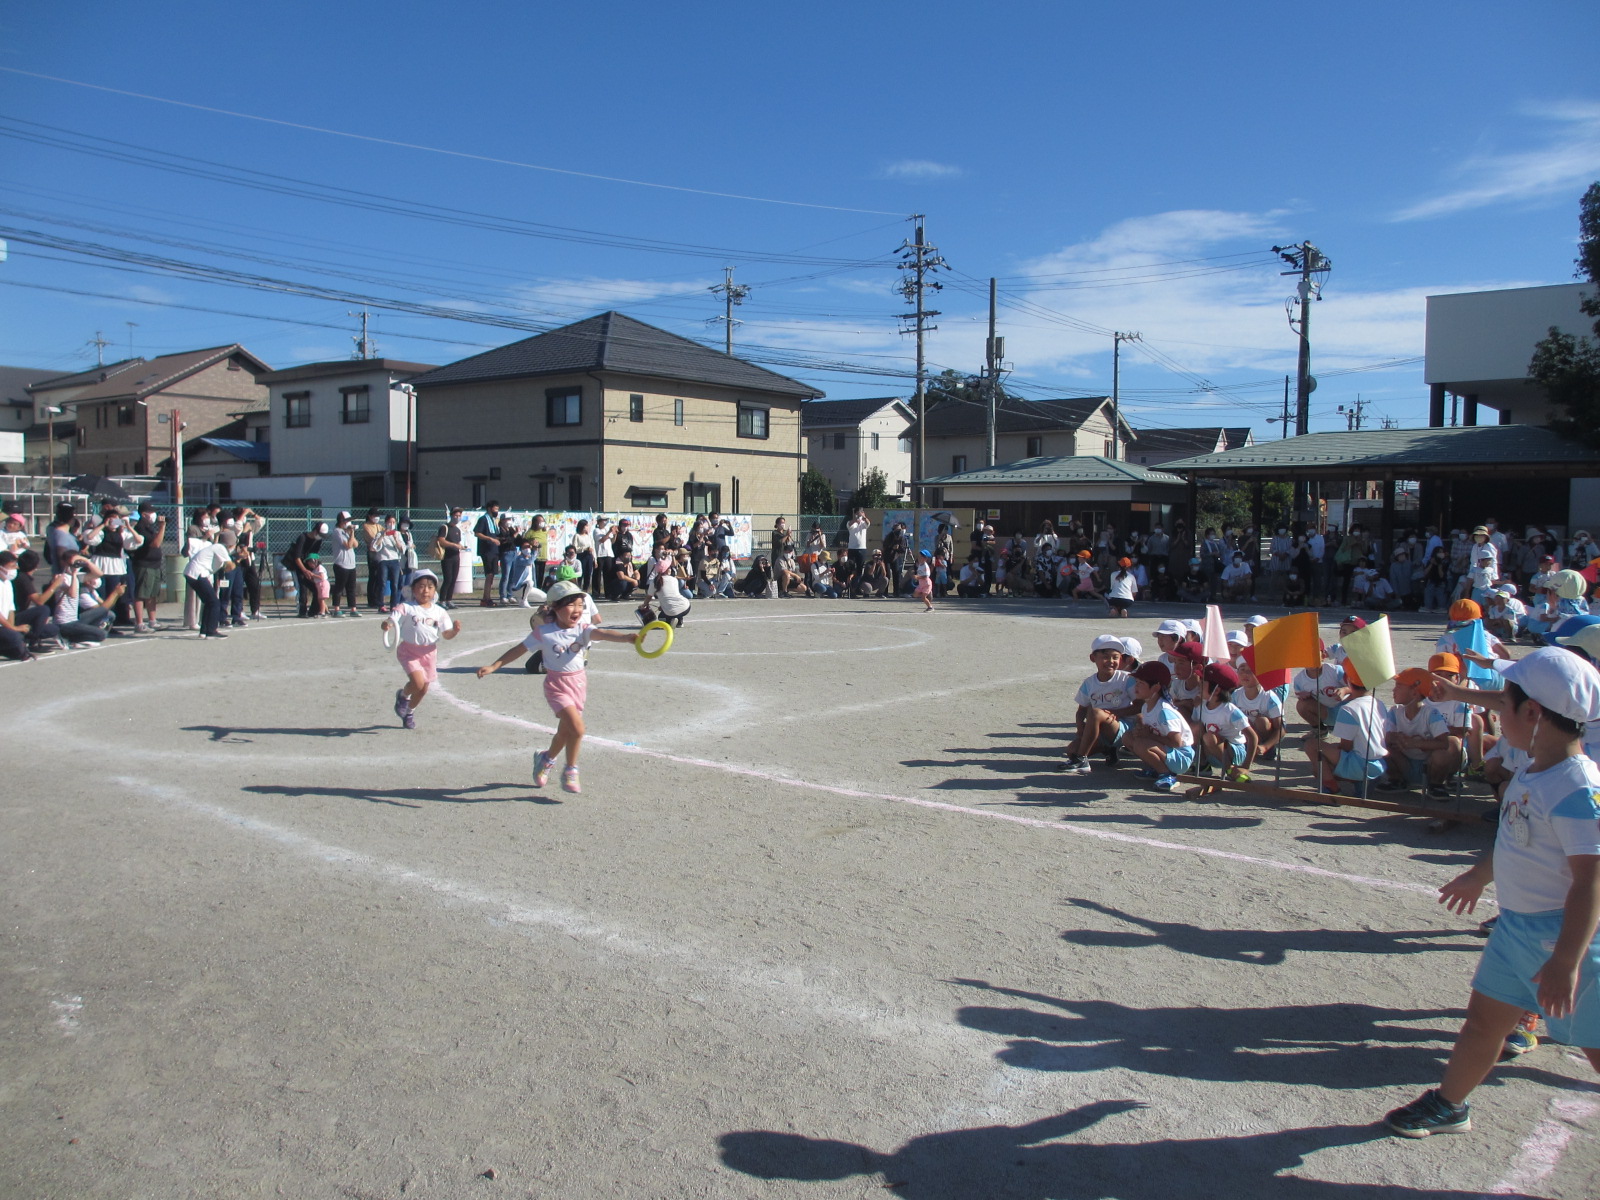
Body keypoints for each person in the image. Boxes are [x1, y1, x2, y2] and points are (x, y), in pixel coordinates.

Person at [1384, 649, 1600, 1137]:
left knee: (1595, 1042)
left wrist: (1566, 961)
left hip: (1564, 938)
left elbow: (1591, 880)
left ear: (1533, 715)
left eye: (1504, 705)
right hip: (1517, 928)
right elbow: (1516, 840)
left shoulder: (1577, 787)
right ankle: (1449, 1104)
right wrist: (1480, 876)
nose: (1496, 713)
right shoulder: (1534, 768)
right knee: (1483, 1022)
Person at [475, 580, 645, 795]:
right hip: (556, 685)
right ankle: (571, 770)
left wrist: (627, 638)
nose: (578, 610)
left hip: (579, 683)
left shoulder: (583, 629)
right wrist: (494, 665)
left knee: (565, 733)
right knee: (578, 728)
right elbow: (519, 650)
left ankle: (546, 759)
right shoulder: (544, 632)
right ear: (555, 607)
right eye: (571, 605)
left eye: (580, 605)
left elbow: (603, 633)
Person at [381, 569, 459, 730]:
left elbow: (446, 634)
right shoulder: (407, 607)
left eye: (430, 587)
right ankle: (403, 696)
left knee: (423, 689)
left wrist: (455, 631)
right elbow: (393, 619)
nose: (426, 590)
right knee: (417, 682)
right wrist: (387, 624)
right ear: (413, 589)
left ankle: (409, 712)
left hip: (429, 653)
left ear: (434, 590)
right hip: (409, 651)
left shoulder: (440, 611)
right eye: (421, 586)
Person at [1303, 661, 1385, 794]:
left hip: (1361, 764)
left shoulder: (1349, 709)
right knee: (1328, 757)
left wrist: (1332, 752)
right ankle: (1361, 782)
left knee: (1312, 746)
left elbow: (1346, 746)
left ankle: (1332, 788)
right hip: (1380, 763)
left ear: (1348, 682)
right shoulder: (1378, 703)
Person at [1378, 667, 1460, 799]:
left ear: (1415, 693)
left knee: (1443, 753)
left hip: (1428, 766)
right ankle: (1397, 779)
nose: (1393, 690)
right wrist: (1395, 738)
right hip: (1403, 762)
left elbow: (1444, 743)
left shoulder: (1430, 713)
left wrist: (1415, 743)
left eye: (1399, 686)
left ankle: (1436, 784)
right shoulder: (1395, 711)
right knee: (1381, 746)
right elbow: (1387, 735)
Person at [1064, 634, 1135, 774]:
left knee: (1096, 712)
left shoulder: (1126, 679)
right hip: (1101, 730)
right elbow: (1081, 710)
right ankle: (1109, 750)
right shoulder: (1089, 683)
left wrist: (1116, 713)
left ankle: (1082, 760)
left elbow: (1140, 706)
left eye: (1115, 657)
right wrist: (1080, 728)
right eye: (1105, 657)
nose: (1110, 661)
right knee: (1071, 750)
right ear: (1093, 658)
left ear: (1120, 659)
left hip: (1123, 729)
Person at [1122, 661, 1196, 792]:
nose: (1136, 687)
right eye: (1136, 682)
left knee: (1141, 743)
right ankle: (1155, 769)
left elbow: (1177, 742)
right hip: (1168, 751)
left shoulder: (1164, 711)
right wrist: (1141, 731)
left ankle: (1167, 775)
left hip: (1182, 756)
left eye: (1141, 683)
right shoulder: (1146, 706)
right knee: (1128, 737)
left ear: (1155, 687)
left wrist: (1148, 736)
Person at [1197, 662, 1253, 781]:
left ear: (1216, 690)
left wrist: (1246, 767)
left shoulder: (1230, 711)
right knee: (1195, 728)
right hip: (1213, 752)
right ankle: (1202, 765)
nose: (1199, 685)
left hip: (1234, 752)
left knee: (1209, 737)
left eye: (1202, 683)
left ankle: (1231, 770)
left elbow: (1253, 737)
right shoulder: (1201, 707)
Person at [184, 525, 233, 640]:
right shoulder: (220, 548)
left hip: (193, 573)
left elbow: (224, 567)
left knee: (209, 601)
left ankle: (204, 631)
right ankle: (211, 631)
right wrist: (238, 560)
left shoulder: (215, 548)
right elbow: (230, 566)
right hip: (197, 573)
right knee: (214, 602)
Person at [1233, 660, 1284, 762]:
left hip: (1264, 732)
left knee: (1262, 721)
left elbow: (1281, 729)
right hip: (1246, 732)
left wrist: (1266, 746)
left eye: (1251, 671)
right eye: (1242, 669)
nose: (1245, 674)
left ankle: (1267, 750)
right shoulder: (1235, 695)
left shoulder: (1269, 697)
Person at [129, 501, 167, 632]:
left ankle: (152, 620)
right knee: (141, 593)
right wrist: (162, 527)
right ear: (144, 514)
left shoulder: (150, 528)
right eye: (151, 513)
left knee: (152, 593)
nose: (154, 515)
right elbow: (155, 544)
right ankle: (139, 623)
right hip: (144, 564)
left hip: (154, 564)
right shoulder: (140, 528)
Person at [331, 511, 361, 617]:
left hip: (351, 564)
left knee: (351, 588)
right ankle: (336, 609)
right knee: (339, 587)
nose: (349, 523)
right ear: (341, 521)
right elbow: (348, 545)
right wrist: (351, 533)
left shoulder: (346, 532)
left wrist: (351, 533)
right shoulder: (337, 531)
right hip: (341, 564)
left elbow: (356, 544)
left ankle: (353, 609)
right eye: (347, 521)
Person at [474, 502, 504, 606]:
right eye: (495, 509)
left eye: (497, 509)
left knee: (492, 574)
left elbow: (495, 534)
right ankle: (485, 598)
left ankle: (487, 597)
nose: (497, 511)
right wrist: (491, 539)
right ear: (489, 509)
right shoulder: (483, 519)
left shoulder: (493, 521)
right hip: (487, 550)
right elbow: (477, 533)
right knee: (489, 574)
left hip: (494, 551)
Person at [436, 507, 464, 609]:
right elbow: (441, 540)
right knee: (447, 579)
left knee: (453, 579)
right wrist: (453, 545)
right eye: (456, 516)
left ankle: (449, 600)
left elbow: (458, 542)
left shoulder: (457, 529)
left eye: (459, 516)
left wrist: (461, 546)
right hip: (447, 557)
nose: (457, 518)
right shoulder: (444, 527)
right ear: (451, 516)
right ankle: (442, 600)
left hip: (456, 556)